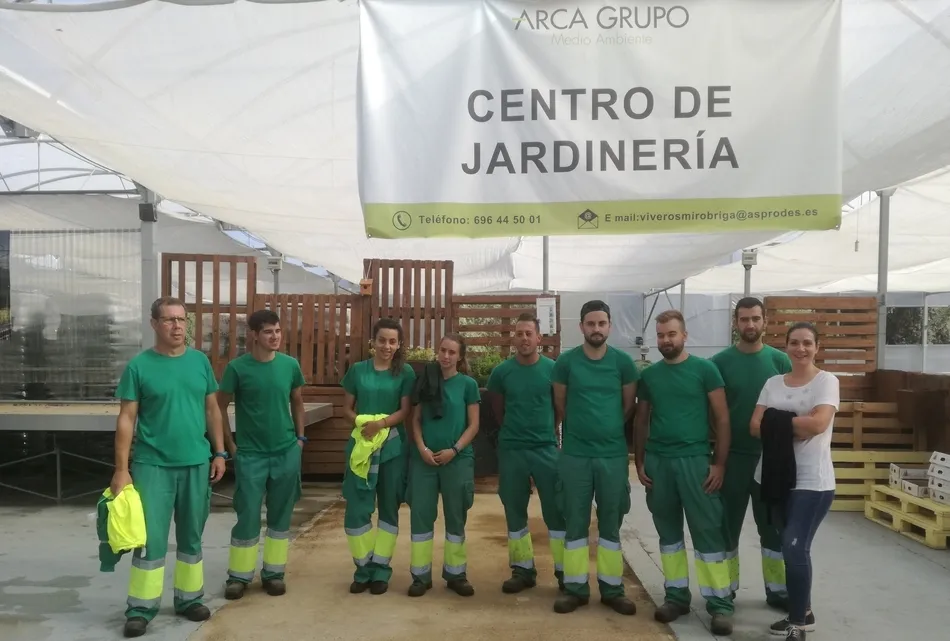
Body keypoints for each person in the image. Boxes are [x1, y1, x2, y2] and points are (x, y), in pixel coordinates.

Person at [111, 296, 227, 639]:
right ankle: (141, 608)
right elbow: (126, 418)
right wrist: (121, 468)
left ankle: (189, 599)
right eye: (170, 321)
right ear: (154, 324)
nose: (178, 327)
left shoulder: (200, 363)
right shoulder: (139, 367)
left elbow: (212, 410)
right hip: (152, 465)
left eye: (182, 320)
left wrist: (219, 452)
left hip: (196, 462)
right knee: (151, 540)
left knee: (192, 535)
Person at [635, 309, 735, 635]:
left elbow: (721, 419)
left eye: (671, 334)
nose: (666, 340)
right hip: (659, 461)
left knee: (707, 531)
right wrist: (639, 461)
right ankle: (676, 596)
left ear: (684, 335)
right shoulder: (650, 377)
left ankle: (719, 603)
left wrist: (719, 463)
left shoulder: (705, 371)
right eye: (661, 335)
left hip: (695, 460)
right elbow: (641, 420)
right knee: (668, 534)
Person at [751, 322, 839, 641]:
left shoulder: (826, 381)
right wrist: (791, 424)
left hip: (812, 482)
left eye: (807, 343)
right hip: (775, 479)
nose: (800, 349)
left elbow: (818, 424)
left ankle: (798, 625)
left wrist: (777, 421)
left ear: (817, 347)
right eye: (794, 342)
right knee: (793, 548)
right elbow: (754, 426)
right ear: (785, 346)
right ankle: (804, 611)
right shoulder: (773, 383)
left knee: (793, 546)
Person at [551, 300, 639, 616]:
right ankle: (575, 589)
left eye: (602, 324)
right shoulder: (566, 362)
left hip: (613, 455)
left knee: (611, 522)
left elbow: (629, 406)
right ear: (582, 327)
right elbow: (560, 404)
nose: (596, 329)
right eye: (591, 324)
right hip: (575, 455)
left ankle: (612, 589)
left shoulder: (624, 363)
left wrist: (608, 428)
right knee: (574, 520)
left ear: (609, 326)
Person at [218, 309, 307, 600]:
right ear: (254, 335)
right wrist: (230, 447)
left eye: (278, 331)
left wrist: (300, 439)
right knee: (247, 515)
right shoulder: (237, 368)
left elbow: (297, 402)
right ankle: (239, 577)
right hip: (251, 455)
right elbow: (218, 408)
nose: (275, 336)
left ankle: (274, 574)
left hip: (285, 452)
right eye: (269, 332)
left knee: (281, 517)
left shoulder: (290, 366)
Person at [710, 297, 792, 609]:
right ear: (735, 323)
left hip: (770, 459)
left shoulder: (779, 362)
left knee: (771, 527)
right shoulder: (719, 362)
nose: (750, 325)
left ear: (765, 321)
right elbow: (713, 413)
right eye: (744, 319)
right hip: (732, 459)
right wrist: (716, 455)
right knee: (726, 526)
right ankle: (726, 589)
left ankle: (778, 591)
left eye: (755, 319)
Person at [486, 312, 565, 594]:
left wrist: (547, 432)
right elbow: (498, 410)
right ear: (514, 339)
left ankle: (564, 571)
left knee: (556, 510)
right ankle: (522, 570)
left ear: (539, 338)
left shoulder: (553, 370)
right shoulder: (501, 373)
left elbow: (559, 409)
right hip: (512, 451)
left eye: (528, 333)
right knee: (514, 509)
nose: (523, 339)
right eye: (519, 334)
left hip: (545, 449)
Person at [340, 318, 416, 595]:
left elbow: (405, 410)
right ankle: (363, 569)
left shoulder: (405, 373)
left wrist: (381, 425)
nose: (387, 346)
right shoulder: (358, 371)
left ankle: (381, 571)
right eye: (382, 340)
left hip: (393, 449)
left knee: (388, 509)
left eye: (392, 341)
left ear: (399, 345)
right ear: (373, 342)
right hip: (362, 448)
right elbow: (347, 408)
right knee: (357, 509)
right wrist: (362, 424)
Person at [407, 333, 480, 598]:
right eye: (442, 350)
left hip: (457, 460)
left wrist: (455, 449)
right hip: (424, 461)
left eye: (452, 352)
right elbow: (415, 420)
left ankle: (456, 574)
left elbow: (474, 425)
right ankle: (420, 576)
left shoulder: (468, 385)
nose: (446, 356)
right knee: (421, 516)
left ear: (460, 357)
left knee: (456, 516)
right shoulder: (425, 381)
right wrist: (422, 449)